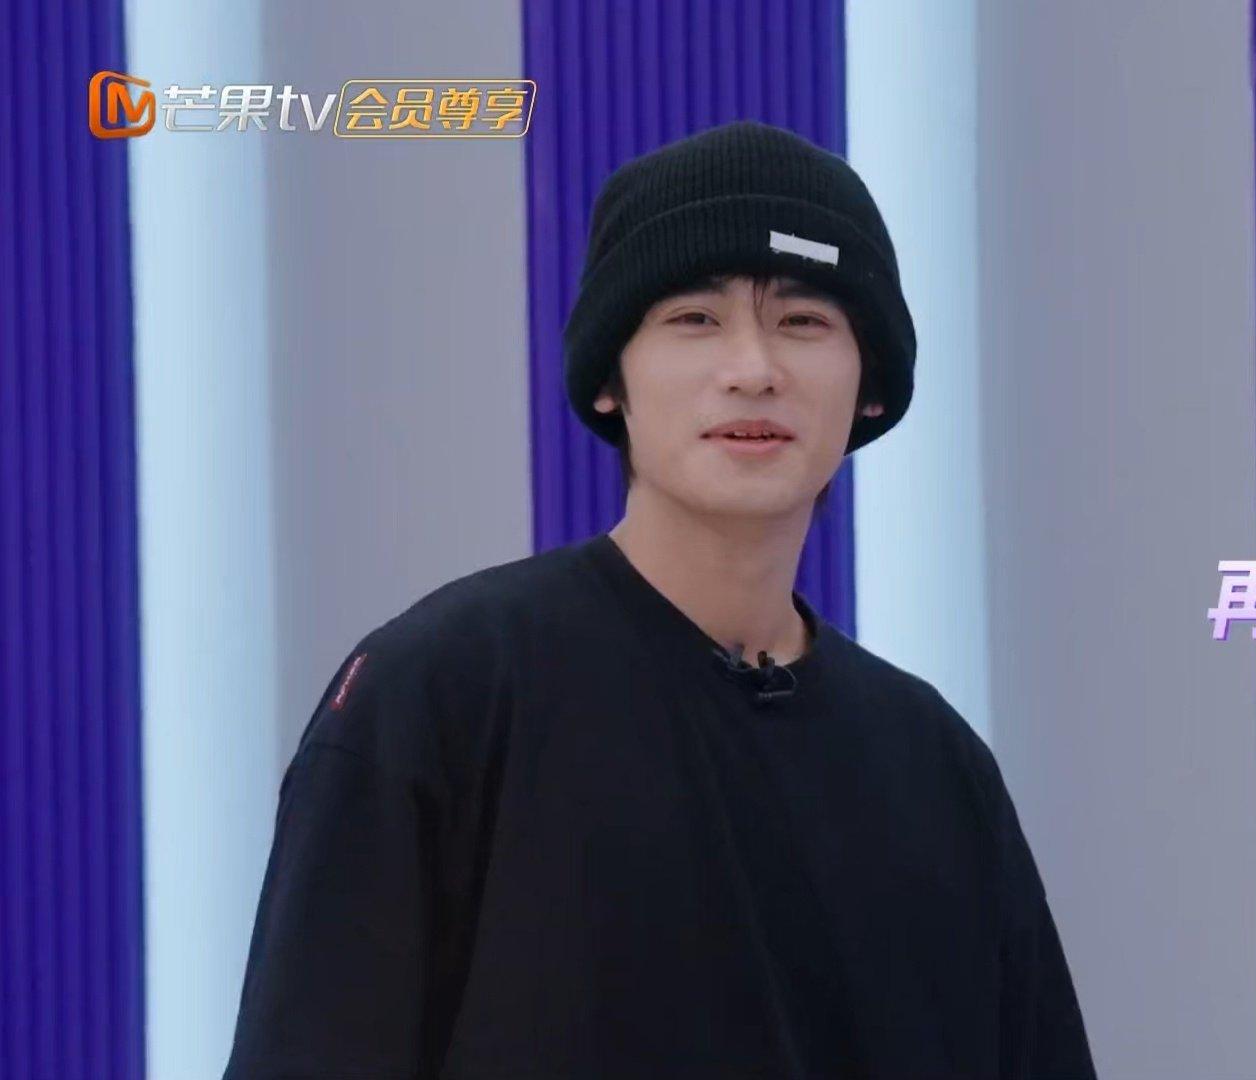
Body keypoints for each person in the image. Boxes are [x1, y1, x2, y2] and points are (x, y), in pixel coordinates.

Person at [223, 120, 1097, 1079]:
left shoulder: (932, 762)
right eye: (694, 319)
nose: (753, 368)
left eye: (803, 321)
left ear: (871, 388)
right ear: (611, 379)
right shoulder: (444, 693)